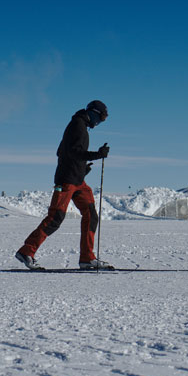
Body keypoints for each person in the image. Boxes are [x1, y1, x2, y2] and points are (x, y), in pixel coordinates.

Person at [16, 100, 113, 270]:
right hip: (66, 181)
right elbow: (72, 152)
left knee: (91, 215)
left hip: (77, 180)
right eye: (101, 118)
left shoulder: (80, 126)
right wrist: (97, 155)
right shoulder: (77, 126)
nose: (99, 123)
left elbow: (62, 152)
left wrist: (82, 168)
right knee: (55, 218)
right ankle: (27, 251)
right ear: (93, 113)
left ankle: (87, 258)